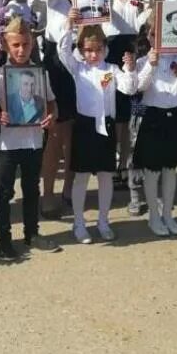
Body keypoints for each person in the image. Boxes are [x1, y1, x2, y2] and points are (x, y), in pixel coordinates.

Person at [0, 17, 60, 259]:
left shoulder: (40, 74)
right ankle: (3, 239)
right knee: (4, 191)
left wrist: (51, 117)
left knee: (31, 188)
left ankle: (31, 233)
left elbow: (51, 102)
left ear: (32, 44)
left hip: (34, 140)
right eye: (15, 45)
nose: (21, 50)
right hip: (8, 143)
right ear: (6, 46)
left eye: (25, 44)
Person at [59, 16, 139, 244]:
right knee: (81, 176)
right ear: (82, 51)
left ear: (105, 48)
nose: (93, 55)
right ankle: (79, 223)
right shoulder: (78, 68)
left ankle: (103, 221)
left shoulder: (112, 69)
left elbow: (129, 88)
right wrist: (70, 26)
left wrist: (131, 69)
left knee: (105, 176)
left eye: (98, 49)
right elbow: (63, 51)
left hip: (107, 125)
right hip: (85, 126)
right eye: (88, 50)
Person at [134, 13, 177, 236]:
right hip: (153, 117)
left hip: (175, 115)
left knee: (170, 170)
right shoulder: (143, 61)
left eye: (162, 34)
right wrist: (151, 66)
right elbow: (139, 87)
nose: (158, 38)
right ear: (148, 36)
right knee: (152, 172)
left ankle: (168, 215)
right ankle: (153, 216)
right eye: (154, 34)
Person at [103, 0, 154, 216]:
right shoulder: (107, 1)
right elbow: (99, 1)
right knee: (115, 119)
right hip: (112, 63)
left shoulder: (137, 4)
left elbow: (152, 13)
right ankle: (114, 165)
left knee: (132, 119)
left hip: (132, 61)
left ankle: (125, 165)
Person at [39, 0, 77, 219]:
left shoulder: (97, 2)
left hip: (83, 69)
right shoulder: (56, 0)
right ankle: (48, 193)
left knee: (73, 136)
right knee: (53, 136)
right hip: (56, 67)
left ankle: (69, 190)